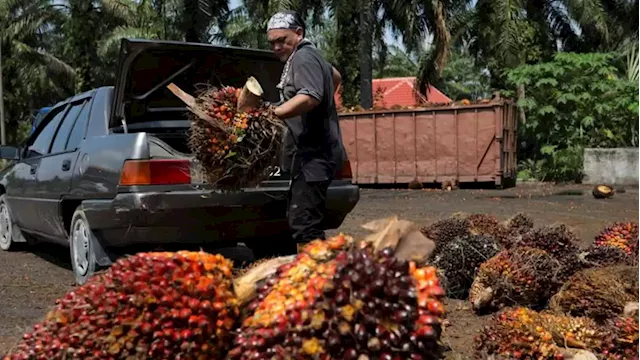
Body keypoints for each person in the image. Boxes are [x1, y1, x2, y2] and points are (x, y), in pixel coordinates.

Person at [266, 10, 344, 248]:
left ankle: (320, 278)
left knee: (305, 224)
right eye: (272, 43)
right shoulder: (312, 56)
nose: (277, 47)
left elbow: (309, 96)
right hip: (315, 154)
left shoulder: (303, 57)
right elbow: (336, 76)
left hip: (315, 155)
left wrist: (273, 113)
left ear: (298, 33)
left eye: (282, 40)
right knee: (303, 219)